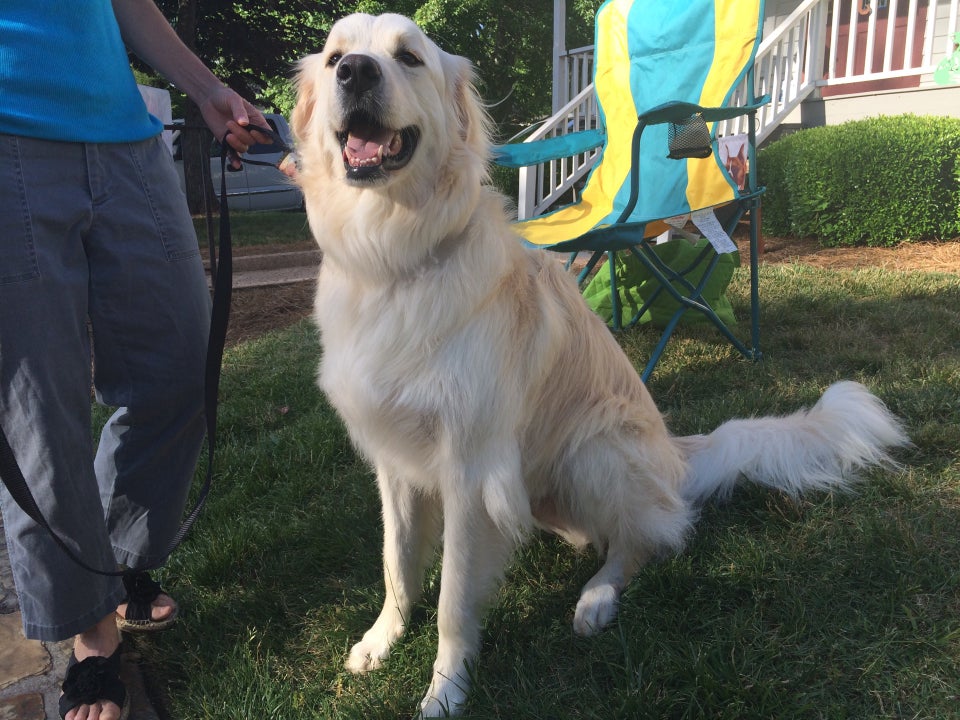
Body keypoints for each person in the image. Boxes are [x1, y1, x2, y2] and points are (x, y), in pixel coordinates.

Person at [0, 2, 270, 718]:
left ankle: (116, 563)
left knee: (182, 365)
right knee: (38, 414)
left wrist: (207, 88)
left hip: (124, 134)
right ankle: (91, 632)